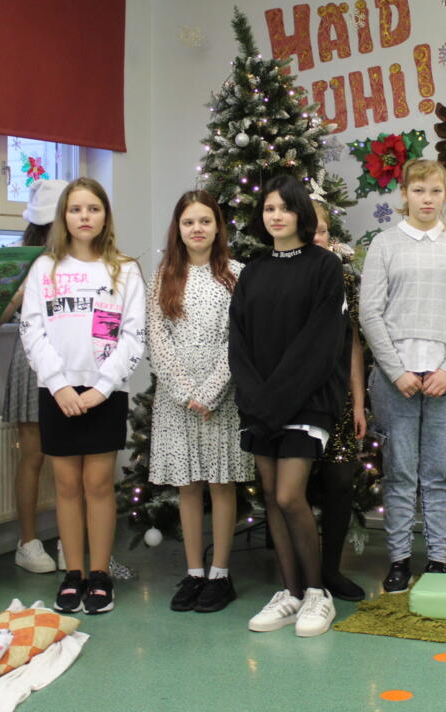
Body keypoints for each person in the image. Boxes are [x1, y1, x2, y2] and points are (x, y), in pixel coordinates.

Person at [229, 173, 348, 638]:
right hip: (259, 404)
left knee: (288, 495)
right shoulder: (252, 271)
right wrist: (255, 396)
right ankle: (290, 592)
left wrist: (276, 396)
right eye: (268, 209)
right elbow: (239, 341)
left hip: (306, 400)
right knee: (271, 501)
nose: (276, 216)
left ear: (301, 212)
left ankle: (318, 593)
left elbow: (321, 343)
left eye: (284, 208)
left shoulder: (325, 266)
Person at [21, 177, 146, 615]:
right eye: (75, 209)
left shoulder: (124, 269)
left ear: (105, 216)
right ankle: (73, 574)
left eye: (93, 208)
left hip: (104, 392)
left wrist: (101, 388)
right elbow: (32, 329)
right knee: (66, 486)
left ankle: (100, 575)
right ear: (64, 217)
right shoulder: (45, 268)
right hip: (57, 392)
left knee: (98, 485)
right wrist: (58, 385)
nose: (84, 217)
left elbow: (133, 335)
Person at [360, 159, 446, 593]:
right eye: (418, 191)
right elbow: (370, 313)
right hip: (397, 380)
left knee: (438, 473)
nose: (427, 200)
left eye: (435, 191)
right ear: (405, 194)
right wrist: (397, 371)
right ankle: (398, 560)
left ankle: (438, 560)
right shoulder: (385, 244)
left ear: (445, 195)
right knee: (399, 473)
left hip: (445, 378)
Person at [150, 190, 251, 614]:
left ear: (217, 226)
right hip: (176, 401)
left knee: (221, 484)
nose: (197, 229)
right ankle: (194, 572)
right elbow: (157, 338)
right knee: (188, 486)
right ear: (178, 228)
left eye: (205, 221)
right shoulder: (164, 276)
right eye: (189, 222)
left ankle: (220, 574)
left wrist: (210, 391)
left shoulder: (236, 275)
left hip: (221, 399)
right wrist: (184, 391)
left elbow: (240, 338)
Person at [0, 179, 66, 574]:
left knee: (72, 457)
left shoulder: (86, 258)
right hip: (32, 360)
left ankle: (71, 540)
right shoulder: (20, 260)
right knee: (33, 455)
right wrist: (20, 292)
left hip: (75, 360)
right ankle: (28, 541)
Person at [310, 199, 368, 602]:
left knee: (341, 482)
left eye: (323, 231)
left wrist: (359, 403)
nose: (317, 238)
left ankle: (331, 569)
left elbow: (354, 345)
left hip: (339, 400)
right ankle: (302, 571)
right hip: (298, 400)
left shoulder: (344, 280)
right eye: (310, 230)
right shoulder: (284, 277)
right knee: (295, 486)